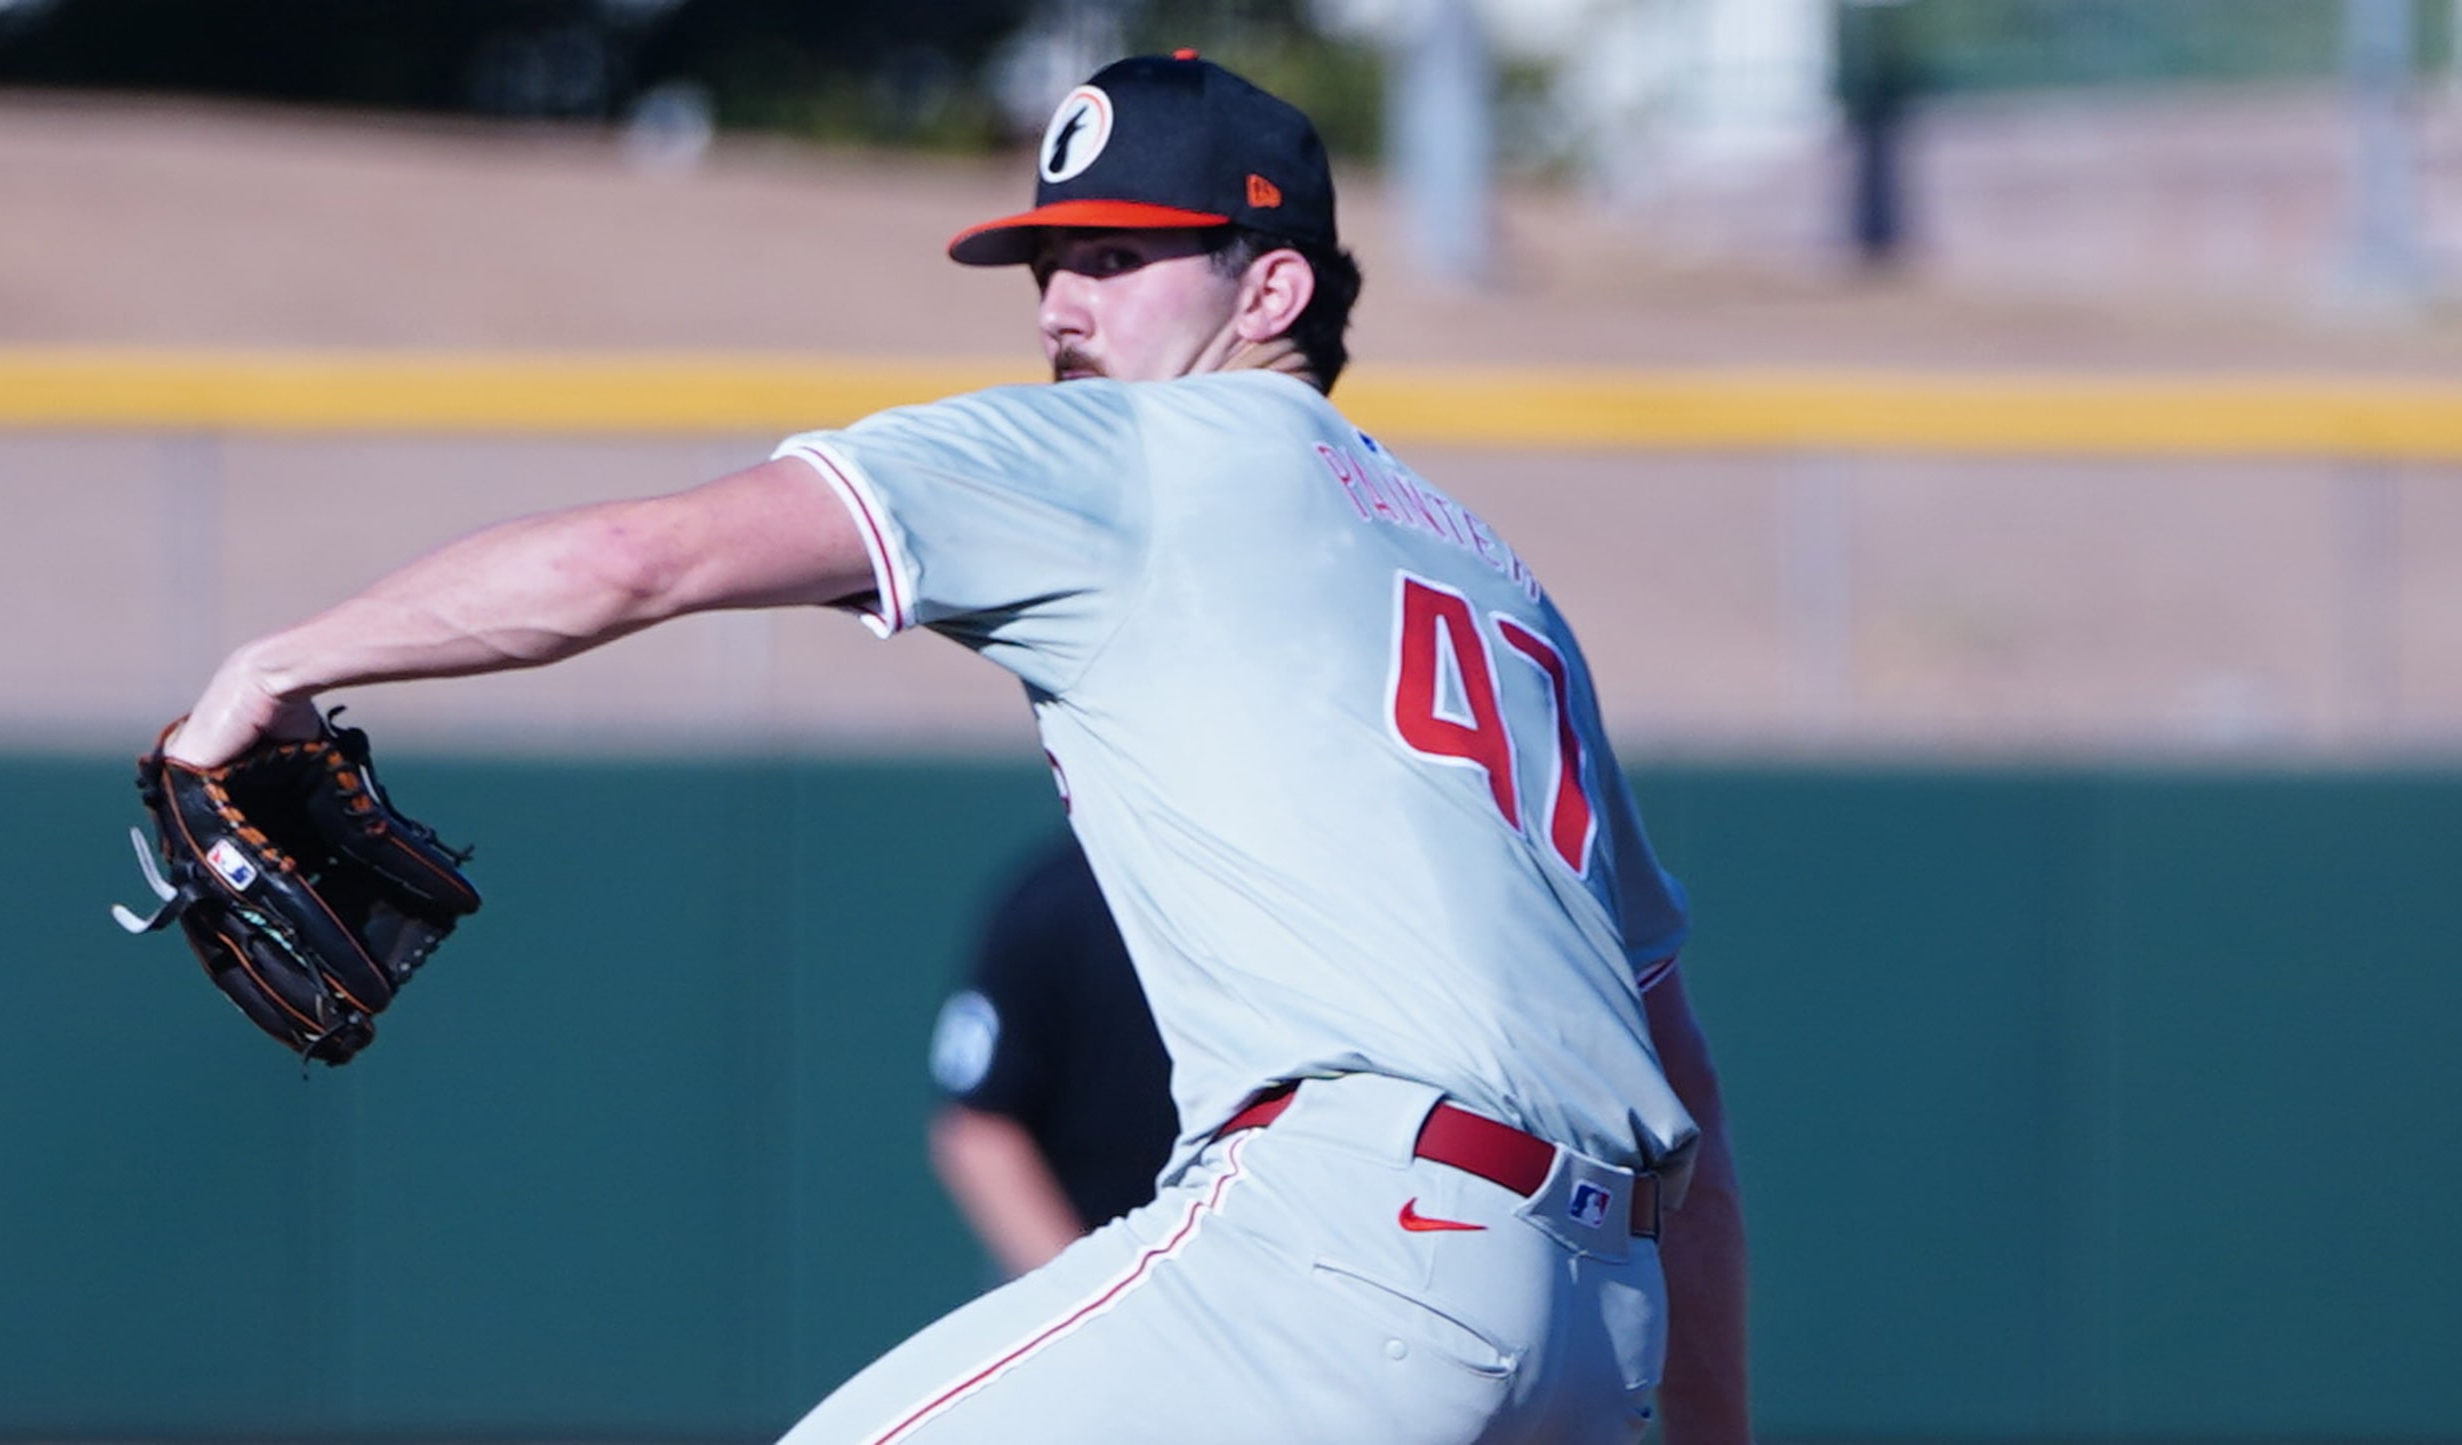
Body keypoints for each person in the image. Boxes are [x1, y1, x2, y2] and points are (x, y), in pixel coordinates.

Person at [166, 51, 1751, 1445]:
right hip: (1595, 1316)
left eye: (1121, 256)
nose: (1063, 306)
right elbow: (1680, 1077)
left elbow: (644, 558)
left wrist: (283, 660)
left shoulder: (1127, 448)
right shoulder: (1496, 581)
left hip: (1359, 1254)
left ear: (1271, 289)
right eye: (1049, 259)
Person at [927, 834, 1179, 1278]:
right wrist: (1082, 1292)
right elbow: (978, 1126)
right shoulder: (1056, 901)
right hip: (1099, 1276)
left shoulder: (1289, 896)